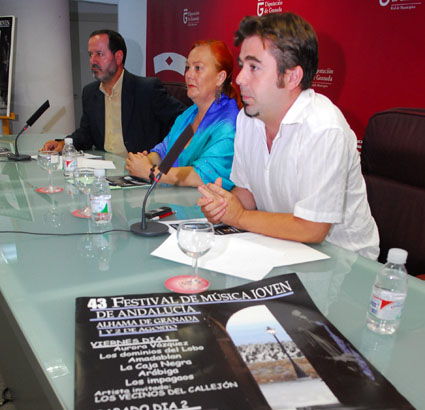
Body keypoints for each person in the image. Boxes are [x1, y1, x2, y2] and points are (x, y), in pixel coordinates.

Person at [198, 13, 379, 259]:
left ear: (292, 77)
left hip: (344, 264)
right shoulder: (248, 119)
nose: (240, 78)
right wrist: (224, 205)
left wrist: (239, 216)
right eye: (242, 66)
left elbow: (312, 228)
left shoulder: (323, 128)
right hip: (285, 247)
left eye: (254, 68)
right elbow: (248, 193)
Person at [43, 29, 185, 157]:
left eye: (99, 54)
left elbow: (186, 121)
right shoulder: (90, 92)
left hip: (139, 172)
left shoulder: (146, 89)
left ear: (118, 57)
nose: (93, 61)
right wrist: (64, 144)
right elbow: (86, 133)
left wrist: (162, 156)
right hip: (104, 169)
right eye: (90, 54)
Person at [125, 40, 241, 190]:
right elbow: (168, 154)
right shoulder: (190, 114)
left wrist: (149, 171)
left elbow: (201, 176)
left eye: (198, 68)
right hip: (180, 204)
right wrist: (144, 161)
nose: (189, 75)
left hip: (209, 209)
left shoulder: (229, 123)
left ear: (220, 78)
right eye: (188, 67)